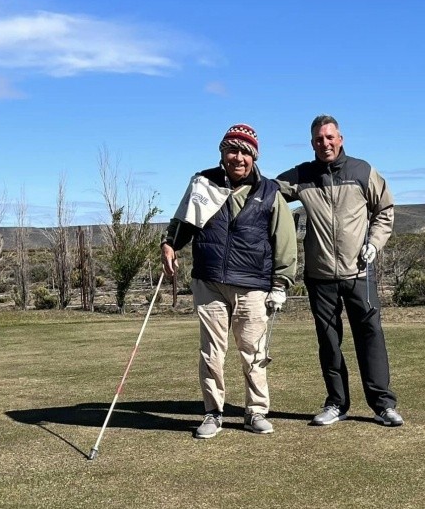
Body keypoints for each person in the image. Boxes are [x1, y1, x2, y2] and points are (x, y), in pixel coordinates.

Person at [161, 123, 297, 439]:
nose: (238, 158)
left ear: (254, 156)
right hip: (209, 282)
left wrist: (281, 284)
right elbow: (183, 222)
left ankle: (256, 412)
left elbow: (285, 241)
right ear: (222, 153)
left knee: (253, 351)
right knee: (211, 351)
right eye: (231, 150)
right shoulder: (203, 183)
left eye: (245, 152)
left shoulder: (270, 192)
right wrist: (169, 243)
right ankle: (213, 413)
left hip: (253, 284)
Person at [275, 114, 403, 427]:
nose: (325, 143)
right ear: (312, 143)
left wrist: (374, 242)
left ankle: (383, 405)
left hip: (359, 273)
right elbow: (267, 193)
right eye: (319, 139)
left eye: (330, 137)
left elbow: (385, 210)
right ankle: (336, 403)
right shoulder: (301, 175)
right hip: (319, 277)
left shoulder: (362, 171)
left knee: (370, 337)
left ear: (340, 139)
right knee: (329, 342)